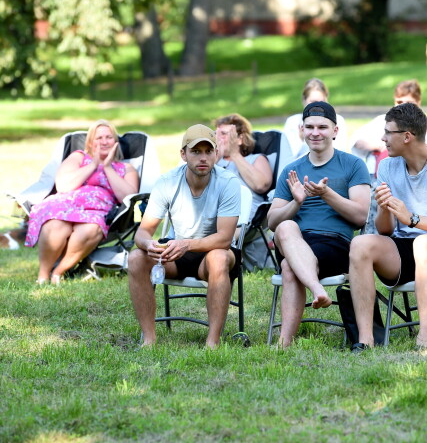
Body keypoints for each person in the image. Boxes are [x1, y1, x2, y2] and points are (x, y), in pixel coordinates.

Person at [348, 102, 427, 351]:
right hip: (406, 248)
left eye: (387, 132)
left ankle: (425, 340)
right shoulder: (386, 166)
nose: (382, 138)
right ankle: (366, 339)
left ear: (407, 136)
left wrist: (413, 219)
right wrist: (384, 206)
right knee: (360, 243)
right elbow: (385, 231)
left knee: (424, 243)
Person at [267, 101, 371, 348]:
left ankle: (283, 343)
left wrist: (327, 194)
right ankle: (317, 290)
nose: (316, 132)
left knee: (289, 266)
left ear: (335, 131)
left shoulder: (353, 165)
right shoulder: (291, 170)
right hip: (297, 239)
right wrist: (296, 202)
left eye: (323, 127)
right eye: (310, 127)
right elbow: (271, 221)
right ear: (301, 130)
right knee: (285, 227)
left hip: (335, 244)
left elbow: (360, 217)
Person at [128, 124, 242, 348]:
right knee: (135, 258)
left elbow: (225, 239)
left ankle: (213, 342)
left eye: (208, 151)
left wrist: (186, 245)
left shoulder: (228, 182)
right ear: (183, 154)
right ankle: (149, 339)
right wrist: (147, 244)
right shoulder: (167, 181)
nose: (203, 158)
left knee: (218, 257)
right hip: (176, 250)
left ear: (216, 153)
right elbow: (142, 232)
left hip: (213, 252)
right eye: (196, 151)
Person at [25, 119, 139, 284]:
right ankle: (42, 276)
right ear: (91, 142)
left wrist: (107, 167)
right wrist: (94, 164)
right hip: (64, 205)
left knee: (90, 230)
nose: (104, 141)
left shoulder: (125, 168)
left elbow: (127, 196)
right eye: (99, 138)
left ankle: (58, 272)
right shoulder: (78, 157)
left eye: (109, 137)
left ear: (115, 142)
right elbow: (63, 185)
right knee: (54, 226)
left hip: (96, 211)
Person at [349, 79, 427, 233]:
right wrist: (377, 146)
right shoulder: (384, 120)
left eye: (408, 101)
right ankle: (371, 235)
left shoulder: (425, 124)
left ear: (419, 101)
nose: (402, 105)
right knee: (375, 206)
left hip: (410, 181)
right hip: (377, 176)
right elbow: (356, 140)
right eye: (399, 101)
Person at [216, 113, 274, 270]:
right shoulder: (210, 162)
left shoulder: (256, 159)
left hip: (242, 217)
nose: (217, 138)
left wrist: (234, 154)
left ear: (240, 138)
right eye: (215, 134)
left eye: (223, 134)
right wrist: (213, 157)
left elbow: (261, 185)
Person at [283, 78, 348, 158]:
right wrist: (301, 139)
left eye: (322, 102)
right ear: (304, 100)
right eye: (313, 102)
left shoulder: (338, 121)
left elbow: (341, 153)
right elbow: (288, 157)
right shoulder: (293, 122)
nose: (317, 106)